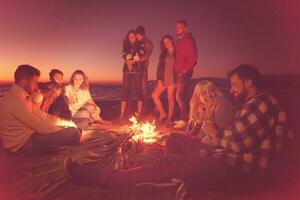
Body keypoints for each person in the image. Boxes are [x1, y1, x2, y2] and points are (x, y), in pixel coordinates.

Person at [64, 64, 289, 192]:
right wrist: (206, 129)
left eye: (235, 84)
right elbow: (216, 135)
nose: (231, 90)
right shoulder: (249, 105)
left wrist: (214, 133)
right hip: (223, 155)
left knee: (170, 162)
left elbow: (236, 142)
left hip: (240, 170)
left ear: (249, 82)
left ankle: (100, 177)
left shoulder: (263, 102)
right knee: (173, 140)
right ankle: (176, 181)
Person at [0, 65, 81, 156]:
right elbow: (40, 127)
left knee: (71, 129)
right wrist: (62, 128)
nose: (37, 87)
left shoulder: (22, 97)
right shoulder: (14, 100)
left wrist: (65, 122)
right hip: (22, 145)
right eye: (34, 82)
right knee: (73, 133)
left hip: (30, 136)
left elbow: (42, 116)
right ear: (23, 82)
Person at [187, 80, 234, 145]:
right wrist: (199, 123)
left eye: (211, 90)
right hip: (204, 143)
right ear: (199, 98)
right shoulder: (202, 108)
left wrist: (210, 117)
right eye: (204, 93)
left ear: (216, 91)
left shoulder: (223, 104)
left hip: (221, 143)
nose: (209, 95)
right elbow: (189, 133)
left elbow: (220, 134)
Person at [173, 20, 198, 129]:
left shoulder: (188, 39)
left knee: (179, 95)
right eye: (176, 27)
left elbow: (194, 57)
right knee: (182, 95)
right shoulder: (179, 41)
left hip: (184, 71)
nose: (177, 29)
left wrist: (185, 69)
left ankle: (184, 120)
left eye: (179, 27)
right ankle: (187, 118)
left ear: (185, 28)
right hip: (179, 71)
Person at [119, 30, 145, 119]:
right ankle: (122, 114)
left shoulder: (140, 44)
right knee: (125, 91)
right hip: (126, 70)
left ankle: (139, 114)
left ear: (135, 37)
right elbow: (123, 55)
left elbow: (142, 55)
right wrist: (127, 61)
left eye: (133, 36)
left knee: (138, 91)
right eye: (129, 36)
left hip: (137, 69)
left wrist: (132, 61)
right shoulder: (126, 45)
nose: (131, 38)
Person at [152, 35, 176, 123]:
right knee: (154, 95)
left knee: (170, 99)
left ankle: (169, 117)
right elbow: (160, 67)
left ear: (172, 40)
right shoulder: (163, 53)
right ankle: (163, 113)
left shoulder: (178, 51)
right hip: (163, 78)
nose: (166, 44)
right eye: (164, 43)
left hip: (173, 78)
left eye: (168, 41)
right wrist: (159, 79)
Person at [136, 25, 153, 106]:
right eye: (137, 35)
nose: (137, 37)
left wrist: (137, 59)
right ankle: (140, 107)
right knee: (138, 89)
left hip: (143, 68)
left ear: (143, 35)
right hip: (136, 68)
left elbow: (146, 56)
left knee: (143, 89)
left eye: (139, 35)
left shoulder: (147, 43)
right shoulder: (138, 42)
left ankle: (144, 107)